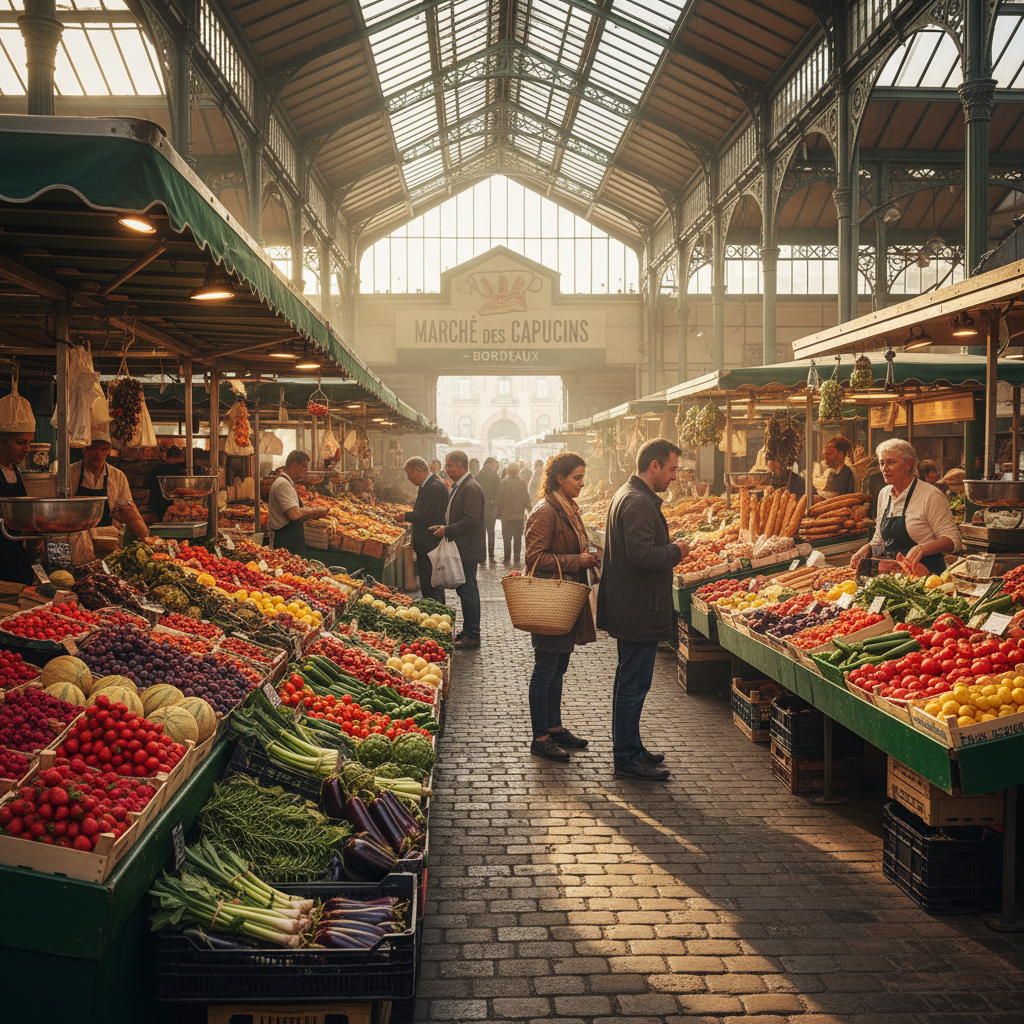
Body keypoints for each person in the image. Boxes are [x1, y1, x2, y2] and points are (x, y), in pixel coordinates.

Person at [597, 438, 690, 782]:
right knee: (633, 684)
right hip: (638, 607)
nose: (674, 476)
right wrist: (677, 550)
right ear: (654, 466)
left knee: (630, 681)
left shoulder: (629, 494)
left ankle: (631, 746)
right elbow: (641, 556)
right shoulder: (637, 502)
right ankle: (626, 756)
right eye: (672, 469)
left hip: (633, 605)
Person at [523, 453, 599, 761]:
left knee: (559, 667)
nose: (582, 483)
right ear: (560, 479)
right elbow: (534, 558)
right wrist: (575, 561)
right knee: (545, 670)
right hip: (550, 601)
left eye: (582, 477)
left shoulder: (567, 508)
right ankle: (540, 737)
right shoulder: (545, 511)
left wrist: (590, 552)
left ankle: (554, 728)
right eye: (577, 478)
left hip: (567, 599)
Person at [850, 439, 961, 576]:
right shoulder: (884, 494)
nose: (885, 468)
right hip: (895, 577)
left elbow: (953, 540)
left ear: (909, 464)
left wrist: (923, 548)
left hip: (928, 579)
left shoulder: (930, 495)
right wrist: (869, 548)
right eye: (882, 463)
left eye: (891, 462)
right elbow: (879, 540)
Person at [69, 432, 154, 565]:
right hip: (76, 542)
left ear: (108, 451)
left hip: (107, 540)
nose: (97, 454)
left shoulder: (118, 476)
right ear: (84, 449)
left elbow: (128, 511)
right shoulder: (69, 474)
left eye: (102, 449)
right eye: (92, 448)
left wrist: (148, 539)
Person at [430, 450, 485, 649]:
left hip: (467, 548)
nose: (446, 469)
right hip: (462, 546)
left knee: (468, 590)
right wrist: (442, 527)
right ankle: (469, 631)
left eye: (450, 465)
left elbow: (471, 519)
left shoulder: (470, 487)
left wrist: (447, 530)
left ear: (461, 466)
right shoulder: (461, 486)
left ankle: (473, 634)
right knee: (465, 590)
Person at [396, 456, 450, 604]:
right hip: (427, 543)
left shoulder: (434, 487)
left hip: (430, 544)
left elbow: (430, 514)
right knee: (429, 583)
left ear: (418, 471)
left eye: (409, 473)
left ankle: (437, 616)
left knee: (431, 583)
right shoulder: (429, 485)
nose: (408, 478)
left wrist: (406, 515)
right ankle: (435, 614)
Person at [268, 450, 330, 558]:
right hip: (286, 543)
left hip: (290, 541)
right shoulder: (283, 484)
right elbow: (294, 514)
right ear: (293, 465)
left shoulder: (286, 482)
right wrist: (317, 511)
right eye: (303, 466)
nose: (306, 470)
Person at [0, 428, 37, 583]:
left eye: (29, 443)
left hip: (15, 550)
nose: (27, 449)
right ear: (1, 443)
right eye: (20, 442)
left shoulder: (15, 470)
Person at [496, 463, 532, 565]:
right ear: (517, 470)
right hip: (519, 515)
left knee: (506, 538)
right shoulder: (522, 482)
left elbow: (499, 498)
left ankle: (507, 558)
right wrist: (529, 508)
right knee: (517, 537)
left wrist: (499, 512)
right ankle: (517, 558)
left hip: (506, 515)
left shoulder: (504, 482)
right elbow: (526, 498)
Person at [145, 444, 186, 520]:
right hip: (176, 506)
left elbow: (146, 485)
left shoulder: (157, 469)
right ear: (181, 457)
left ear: (167, 456)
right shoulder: (182, 469)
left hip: (157, 505)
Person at [477, 456, 500, 563]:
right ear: (488, 464)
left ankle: (485, 554)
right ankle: (489, 554)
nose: (494, 467)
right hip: (486, 507)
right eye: (493, 465)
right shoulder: (483, 476)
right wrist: (493, 500)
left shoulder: (482, 475)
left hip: (485, 507)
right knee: (489, 531)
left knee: (485, 531)